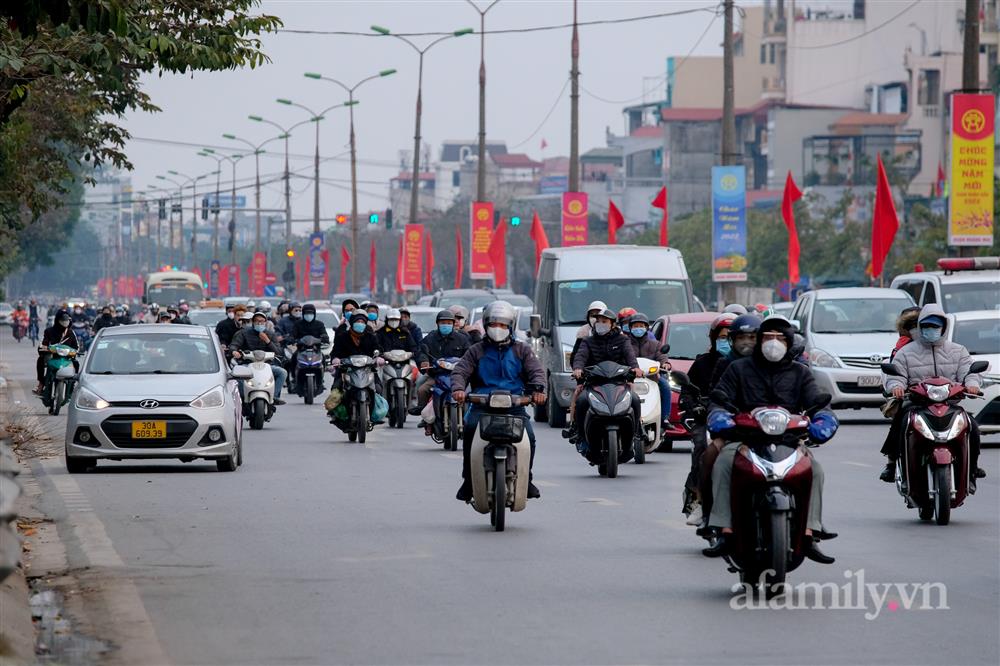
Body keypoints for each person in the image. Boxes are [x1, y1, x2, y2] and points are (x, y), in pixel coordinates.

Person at [702, 316, 838, 563]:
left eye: (779, 338)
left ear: (788, 342)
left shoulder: (800, 372)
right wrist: (721, 417)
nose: (773, 343)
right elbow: (719, 399)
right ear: (759, 341)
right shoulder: (738, 369)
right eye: (767, 337)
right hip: (744, 439)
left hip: (789, 441)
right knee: (723, 463)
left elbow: (818, 403)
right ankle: (724, 529)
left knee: (815, 469)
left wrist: (824, 420)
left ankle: (809, 532)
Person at [881, 304, 985, 487]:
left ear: (943, 327)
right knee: (902, 423)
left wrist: (972, 384)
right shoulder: (906, 352)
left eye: (936, 326)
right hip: (917, 404)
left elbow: (970, 372)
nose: (932, 330)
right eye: (928, 326)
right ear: (920, 326)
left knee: (972, 427)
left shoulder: (958, 351)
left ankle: (973, 469)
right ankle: (894, 464)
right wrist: (896, 386)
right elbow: (895, 375)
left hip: (949, 404)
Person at [452, 301, 546, 501]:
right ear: (486, 326)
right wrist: (459, 389)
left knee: (530, 437)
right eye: (494, 324)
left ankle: (526, 479)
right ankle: (468, 481)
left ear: (511, 327)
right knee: (469, 432)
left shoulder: (522, 350)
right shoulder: (476, 350)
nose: (498, 329)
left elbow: (536, 371)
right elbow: (461, 371)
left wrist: (538, 390)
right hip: (482, 405)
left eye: (503, 325)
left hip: (515, 406)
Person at [681, 313, 737, 524]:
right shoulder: (703, 363)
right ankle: (698, 499)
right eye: (723, 337)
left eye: (734, 336)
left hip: (743, 422)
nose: (729, 341)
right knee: (702, 450)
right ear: (714, 338)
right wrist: (694, 407)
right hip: (709, 418)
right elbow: (689, 392)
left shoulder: (748, 365)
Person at [564, 308, 643, 452]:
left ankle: (637, 432)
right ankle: (579, 433)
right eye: (598, 321)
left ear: (613, 324)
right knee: (581, 400)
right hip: (594, 383)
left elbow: (630, 356)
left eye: (604, 321)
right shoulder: (588, 341)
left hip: (619, 382)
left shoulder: (623, 339)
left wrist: (635, 368)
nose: (600, 323)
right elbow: (580, 356)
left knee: (635, 400)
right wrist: (578, 368)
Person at [413, 309, 472, 417]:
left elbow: (469, 355)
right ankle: (425, 417)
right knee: (422, 390)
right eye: (443, 323)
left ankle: (468, 416)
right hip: (437, 375)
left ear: (453, 324)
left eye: (449, 323)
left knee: (470, 393)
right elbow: (421, 351)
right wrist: (424, 362)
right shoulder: (430, 338)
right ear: (438, 324)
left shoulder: (462, 339)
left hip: (458, 376)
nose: (446, 325)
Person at [229, 311, 287, 405]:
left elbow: (279, 352)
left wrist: (267, 341)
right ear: (253, 322)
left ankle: (274, 396)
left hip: (266, 365)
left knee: (282, 373)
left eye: (262, 321)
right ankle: (242, 398)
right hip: (247, 364)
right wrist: (234, 351)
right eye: (257, 321)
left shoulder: (270, 334)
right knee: (237, 374)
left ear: (265, 322)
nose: (259, 324)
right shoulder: (244, 333)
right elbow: (234, 345)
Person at [625, 312, 671, 426]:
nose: (638, 328)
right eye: (635, 326)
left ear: (646, 328)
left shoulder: (655, 344)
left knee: (665, 386)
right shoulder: (624, 344)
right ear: (630, 328)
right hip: (629, 378)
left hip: (651, 377)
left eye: (641, 326)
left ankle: (664, 418)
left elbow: (662, 356)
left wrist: (665, 363)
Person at [33, 309, 79, 394]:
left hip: (66, 357)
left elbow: (76, 347)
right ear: (57, 320)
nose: (65, 323)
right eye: (63, 320)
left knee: (76, 363)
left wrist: (74, 351)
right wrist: (45, 348)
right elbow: (44, 343)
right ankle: (41, 383)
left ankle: (71, 386)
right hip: (52, 356)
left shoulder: (71, 333)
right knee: (40, 360)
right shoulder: (49, 331)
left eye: (67, 320)